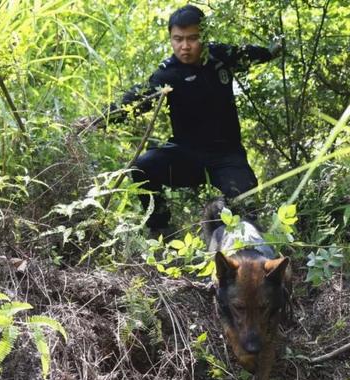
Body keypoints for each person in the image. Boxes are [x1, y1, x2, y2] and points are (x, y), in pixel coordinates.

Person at [82, 5, 281, 236]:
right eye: (177, 39)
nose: (184, 46)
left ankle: (242, 249)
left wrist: (274, 49)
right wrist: (97, 120)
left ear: (204, 36)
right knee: (142, 166)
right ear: (170, 39)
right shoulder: (168, 74)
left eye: (192, 38)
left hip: (227, 156)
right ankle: (161, 229)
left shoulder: (221, 56)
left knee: (245, 203)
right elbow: (135, 101)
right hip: (186, 155)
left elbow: (253, 54)